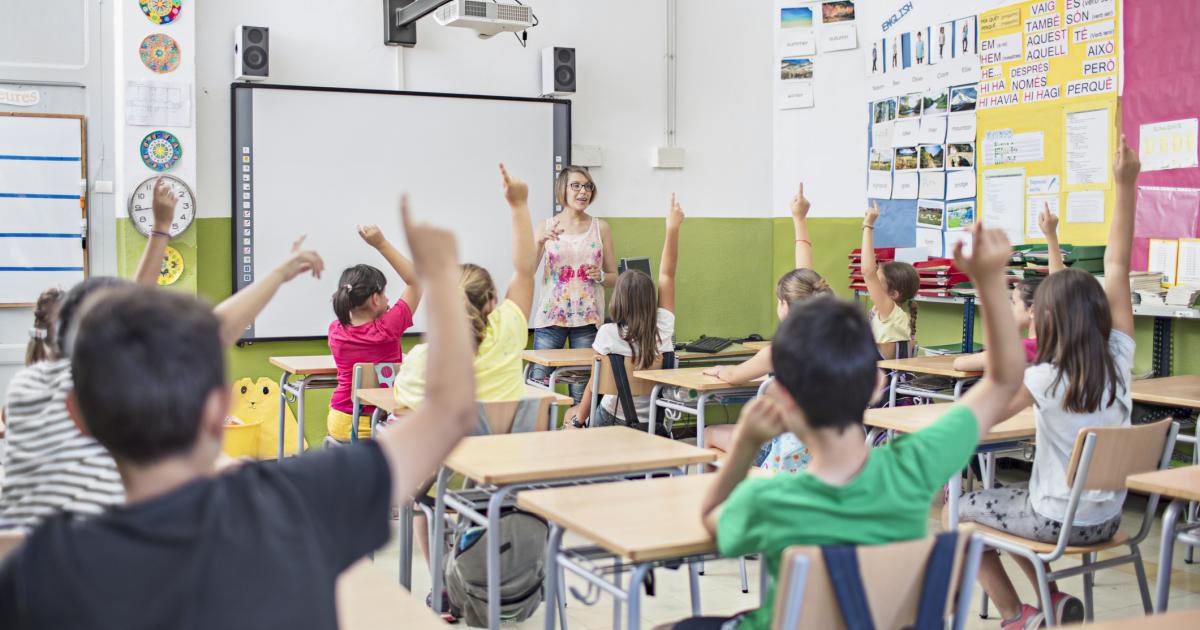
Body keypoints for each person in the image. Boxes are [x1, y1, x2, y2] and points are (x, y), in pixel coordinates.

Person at [0, 197, 478, 629]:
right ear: (221, 408)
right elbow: (449, 413)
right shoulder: (292, 500)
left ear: (78, 416)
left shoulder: (33, 573)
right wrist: (439, 279)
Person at [665, 221, 1026, 629]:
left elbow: (711, 518)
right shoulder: (913, 467)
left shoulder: (770, 499)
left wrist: (746, 444)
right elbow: (1003, 381)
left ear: (782, 400)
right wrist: (989, 280)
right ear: (876, 384)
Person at [0, 178, 324, 533]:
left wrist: (161, 230)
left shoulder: (26, 388)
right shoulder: (108, 387)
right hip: (96, 559)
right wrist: (278, 274)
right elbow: (210, 326)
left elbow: (133, 310)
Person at [955, 136, 1142, 629]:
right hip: (1110, 519)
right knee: (1007, 507)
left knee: (963, 511)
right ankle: (1053, 601)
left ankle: (1018, 615)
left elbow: (979, 414)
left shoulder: (1042, 378)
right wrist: (1126, 185)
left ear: (1045, 320)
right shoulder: (1119, 357)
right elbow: (1117, 265)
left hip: (1058, 519)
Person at [701, 183, 832, 473]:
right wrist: (800, 221)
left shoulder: (780, 352)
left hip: (781, 455)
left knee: (708, 434)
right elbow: (807, 281)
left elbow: (735, 376)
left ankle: (722, 511)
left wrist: (719, 370)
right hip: (827, 453)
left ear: (785, 306)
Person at [563, 194, 684, 428]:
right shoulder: (664, 326)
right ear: (651, 299)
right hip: (654, 424)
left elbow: (593, 385)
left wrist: (578, 421)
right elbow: (667, 274)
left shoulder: (608, 334)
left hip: (613, 419)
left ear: (618, 301)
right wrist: (672, 228)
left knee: (571, 414)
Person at [528, 166, 617, 403]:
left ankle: (582, 436)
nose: (583, 192)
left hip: (587, 321)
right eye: (576, 185)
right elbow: (527, 271)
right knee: (538, 388)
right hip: (551, 319)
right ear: (562, 190)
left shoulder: (601, 228)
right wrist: (539, 242)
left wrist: (599, 276)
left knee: (584, 393)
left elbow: (614, 276)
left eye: (587, 186)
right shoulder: (545, 226)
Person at [325, 224, 420, 442]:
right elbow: (416, 281)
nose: (388, 299)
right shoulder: (388, 327)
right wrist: (381, 244)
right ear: (375, 299)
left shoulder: (335, 330)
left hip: (341, 421)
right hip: (382, 423)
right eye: (384, 293)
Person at [862, 202, 920, 360]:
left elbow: (867, 272)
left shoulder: (891, 312)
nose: (873, 285)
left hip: (884, 382)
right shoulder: (880, 312)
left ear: (893, 294)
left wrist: (868, 225)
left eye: (878, 281)